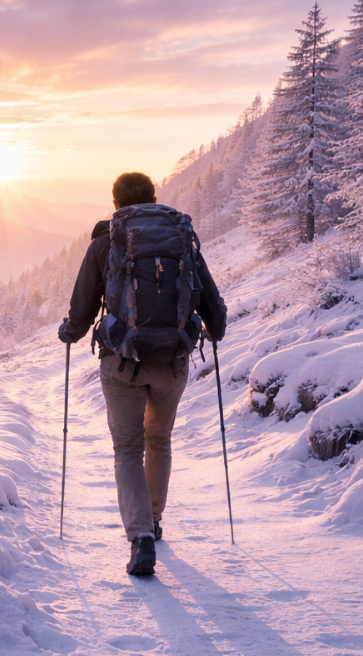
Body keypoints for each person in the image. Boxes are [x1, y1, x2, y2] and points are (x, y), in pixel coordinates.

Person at [58, 172, 227, 575]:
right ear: (154, 197)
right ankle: (153, 519)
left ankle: (141, 539)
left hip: (122, 363)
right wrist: (214, 331)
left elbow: (82, 307)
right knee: (160, 439)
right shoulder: (181, 239)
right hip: (172, 362)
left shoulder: (106, 242)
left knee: (128, 448)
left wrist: (69, 332)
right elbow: (212, 303)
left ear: (116, 203)